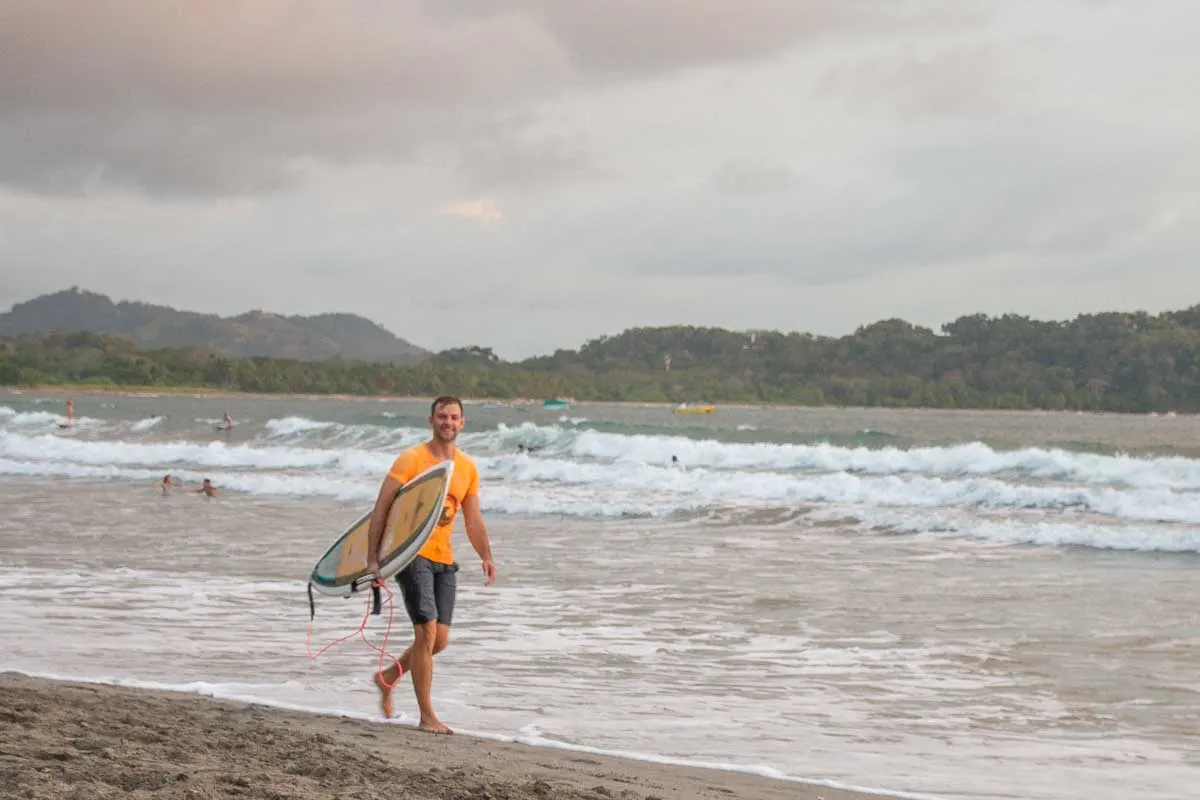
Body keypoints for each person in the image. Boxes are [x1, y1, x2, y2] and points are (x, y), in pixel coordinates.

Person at [366, 395, 497, 735]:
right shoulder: (411, 459)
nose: (448, 423)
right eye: (442, 416)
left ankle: (388, 677)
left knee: (439, 640)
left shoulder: (467, 467)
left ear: (462, 422)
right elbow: (381, 508)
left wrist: (486, 554)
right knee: (424, 633)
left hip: (445, 559)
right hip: (412, 555)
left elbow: (473, 519)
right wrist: (373, 558)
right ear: (431, 420)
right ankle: (427, 716)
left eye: (454, 417)